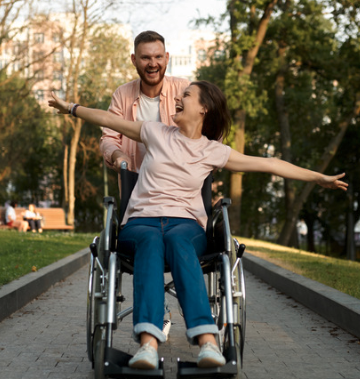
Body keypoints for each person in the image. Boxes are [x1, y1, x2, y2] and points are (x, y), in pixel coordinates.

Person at [48, 81, 347, 370]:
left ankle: (208, 343)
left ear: (203, 108)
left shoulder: (213, 151)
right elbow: (108, 118)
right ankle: (149, 346)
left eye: (186, 95)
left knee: (178, 242)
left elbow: (270, 163)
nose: (178, 98)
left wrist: (318, 178)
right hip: (141, 222)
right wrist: (71, 108)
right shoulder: (155, 133)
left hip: (186, 226)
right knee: (151, 244)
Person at [99, 31, 190, 339]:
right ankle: (154, 314)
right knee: (148, 239)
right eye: (146, 57)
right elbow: (108, 137)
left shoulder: (185, 90)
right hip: (139, 186)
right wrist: (120, 157)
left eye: (158, 57)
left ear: (167, 58)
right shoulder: (123, 95)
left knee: (175, 237)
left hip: (180, 190)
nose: (153, 64)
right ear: (134, 60)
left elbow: (209, 132)